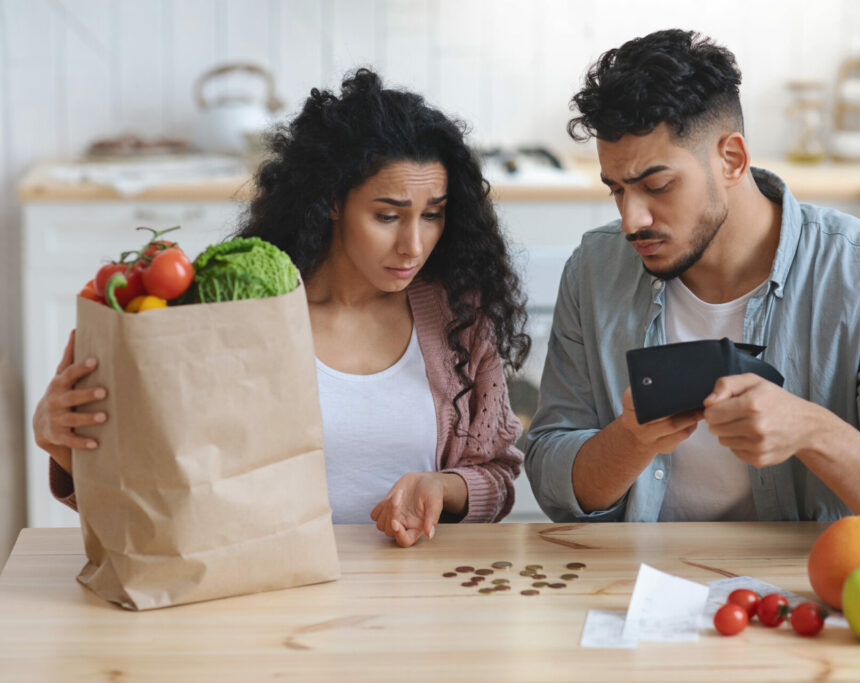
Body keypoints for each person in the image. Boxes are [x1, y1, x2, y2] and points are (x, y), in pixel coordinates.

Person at [33, 69, 531, 548]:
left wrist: (441, 490)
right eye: (387, 216)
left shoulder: (458, 319)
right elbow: (158, 491)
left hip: (413, 593)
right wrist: (63, 444)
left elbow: (498, 475)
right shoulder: (243, 312)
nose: (414, 245)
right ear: (333, 201)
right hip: (259, 591)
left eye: (433, 216)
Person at [524, 29, 860, 552]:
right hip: (630, 582)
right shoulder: (595, 270)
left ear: (732, 160)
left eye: (658, 185)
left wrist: (812, 431)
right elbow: (552, 478)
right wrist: (630, 439)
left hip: (809, 593)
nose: (632, 220)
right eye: (616, 190)